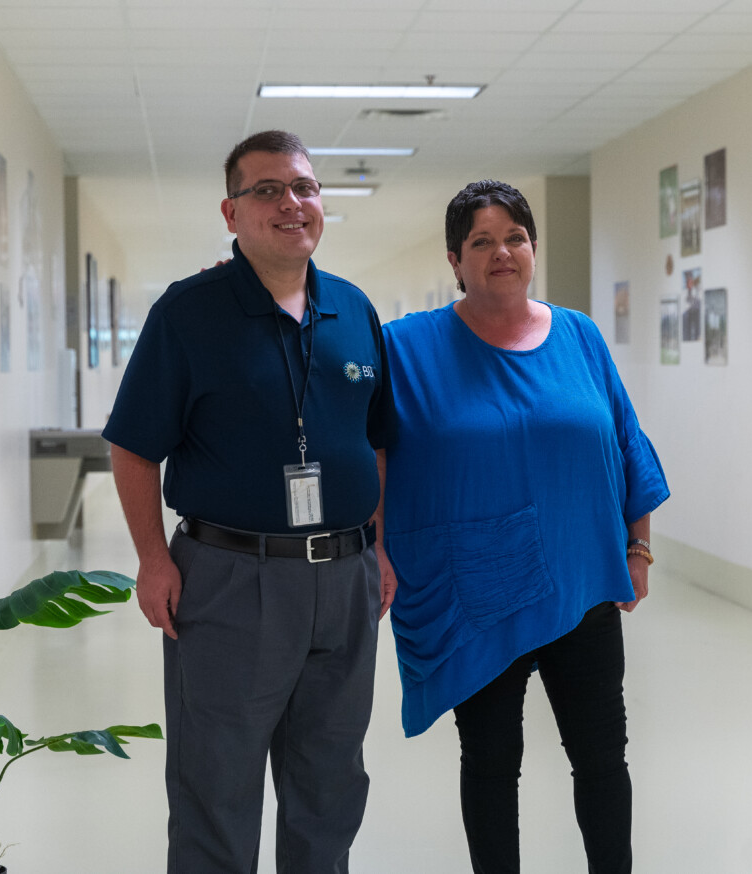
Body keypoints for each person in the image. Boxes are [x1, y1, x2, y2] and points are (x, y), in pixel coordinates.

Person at [102, 129, 394, 874]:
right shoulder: (188, 313)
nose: (290, 203)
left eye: (304, 187)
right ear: (231, 214)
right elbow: (134, 446)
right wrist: (150, 560)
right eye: (267, 190)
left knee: (331, 783)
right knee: (217, 785)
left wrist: (381, 547)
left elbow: (379, 439)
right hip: (231, 578)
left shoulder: (355, 312)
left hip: (345, 578)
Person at [377, 180, 669, 874]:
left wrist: (639, 546)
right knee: (490, 761)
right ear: (455, 259)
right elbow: (375, 453)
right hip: (479, 586)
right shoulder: (408, 348)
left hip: (584, 583)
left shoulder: (579, 335)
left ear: (533, 248)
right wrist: (378, 548)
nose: (501, 252)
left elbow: (626, 441)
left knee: (602, 756)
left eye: (515, 238)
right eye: (482, 241)